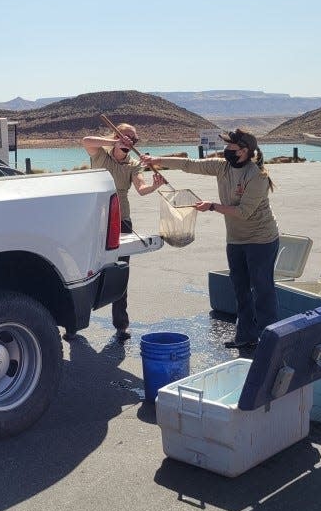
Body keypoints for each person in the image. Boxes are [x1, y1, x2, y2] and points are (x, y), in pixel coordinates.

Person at [148, 128, 279, 350]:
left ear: (245, 151)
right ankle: (245, 335)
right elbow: (190, 164)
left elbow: (244, 212)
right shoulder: (223, 166)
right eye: (226, 146)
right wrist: (157, 159)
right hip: (236, 239)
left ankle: (271, 342)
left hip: (261, 240)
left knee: (263, 289)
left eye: (231, 147)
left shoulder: (257, 176)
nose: (226, 150)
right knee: (240, 288)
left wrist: (211, 206)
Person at [77, 123, 166, 342]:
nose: (130, 143)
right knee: (86, 272)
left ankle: (121, 324)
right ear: (116, 136)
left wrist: (154, 186)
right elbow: (86, 140)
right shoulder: (101, 155)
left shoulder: (133, 165)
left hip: (122, 221)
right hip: (95, 221)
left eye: (133, 141)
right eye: (127, 138)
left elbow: (141, 188)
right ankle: (74, 325)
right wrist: (114, 141)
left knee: (121, 272)